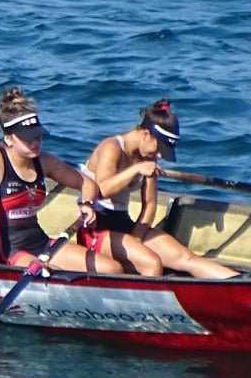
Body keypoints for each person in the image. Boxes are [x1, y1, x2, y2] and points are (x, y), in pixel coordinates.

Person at [77, 101, 239, 278]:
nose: (160, 155)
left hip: (124, 224)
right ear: (145, 134)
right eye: (159, 148)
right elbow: (102, 190)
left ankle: (242, 282)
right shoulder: (111, 148)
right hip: (95, 227)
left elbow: (150, 205)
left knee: (184, 258)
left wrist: (137, 239)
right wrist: (136, 169)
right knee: (152, 263)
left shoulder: (148, 157)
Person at [0, 87, 93, 273]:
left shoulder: (45, 161)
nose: (35, 143)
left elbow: (87, 184)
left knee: (111, 268)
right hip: (9, 251)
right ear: (8, 139)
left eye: (38, 136)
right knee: (51, 273)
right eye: (28, 138)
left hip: (40, 243)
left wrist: (87, 203)